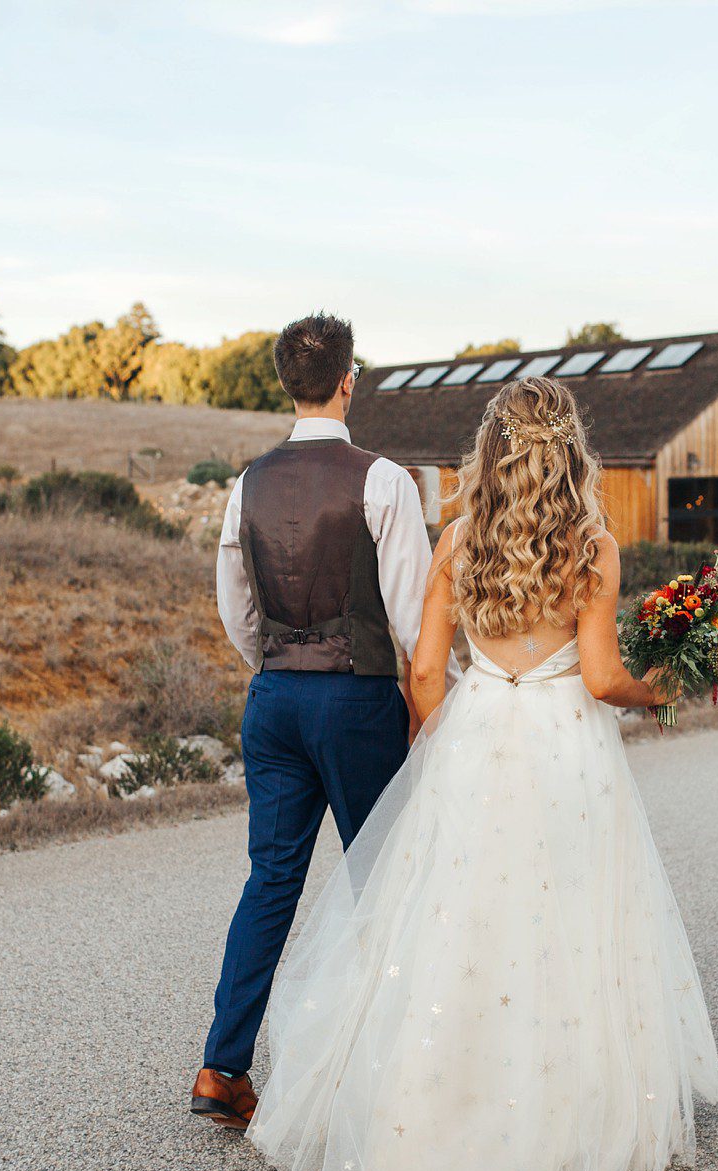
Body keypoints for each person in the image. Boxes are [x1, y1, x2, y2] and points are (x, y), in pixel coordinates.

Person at [245, 375, 718, 1171]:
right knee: (566, 918)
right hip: (566, 745)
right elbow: (606, 675)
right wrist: (663, 690)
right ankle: (563, 1102)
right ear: (571, 454)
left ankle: (438, 1100)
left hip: (477, 733)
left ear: (491, 454)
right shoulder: (592, 546)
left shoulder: (461, 539)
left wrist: (445, 740)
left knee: (461, 921)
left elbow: (425, 671)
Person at [191, 312, 436, 1129]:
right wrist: (432, 699)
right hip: (357, 697)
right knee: (386, 879)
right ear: (348, 378)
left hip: (273, 698)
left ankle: (221, 1068)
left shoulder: (247, 483)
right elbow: (411, 614)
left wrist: (276, 661)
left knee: (270, 881)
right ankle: (397, 1066)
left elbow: (235, 609)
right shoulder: (385, 480)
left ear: (284, 381)